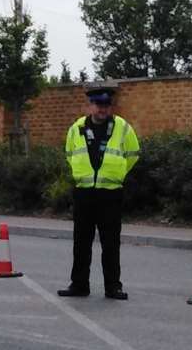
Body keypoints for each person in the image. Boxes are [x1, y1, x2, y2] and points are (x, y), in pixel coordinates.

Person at [59, 86, 141, 300]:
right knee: (81, 242)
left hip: (110, 193)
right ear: (90, 105)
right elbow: (69, 153)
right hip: (84, 192)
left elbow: (133, 154)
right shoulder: (76, 128)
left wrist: (119, 172)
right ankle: (79, 285)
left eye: (106, 105)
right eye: (98, 105)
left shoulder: (122, 127)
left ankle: (113, 287)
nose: (102, 109)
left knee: (111, 243)